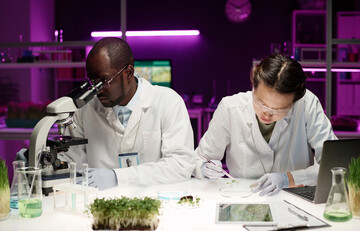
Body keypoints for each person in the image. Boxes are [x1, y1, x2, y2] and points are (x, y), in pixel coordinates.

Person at [18, 37, 196, 190]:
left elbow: (180, 165)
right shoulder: (85, 110)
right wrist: (39, 161)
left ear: (128, 72)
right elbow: (73, 161)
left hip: (157, 203)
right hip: (101, 206)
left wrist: (116, 177)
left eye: (103, 81)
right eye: (92, 81)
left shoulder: (168, 102)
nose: (97, 90)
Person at [193, 53, 337, 196]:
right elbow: (199, 158)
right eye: (261, 103)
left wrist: (288, 178)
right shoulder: (230, 108)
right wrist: (204, 167)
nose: (267, 114)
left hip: (295, 195)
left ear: (294, 102)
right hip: (243, 196)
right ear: (253, 87)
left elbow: (333, 165)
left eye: (279, 109)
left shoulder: (307, 104)